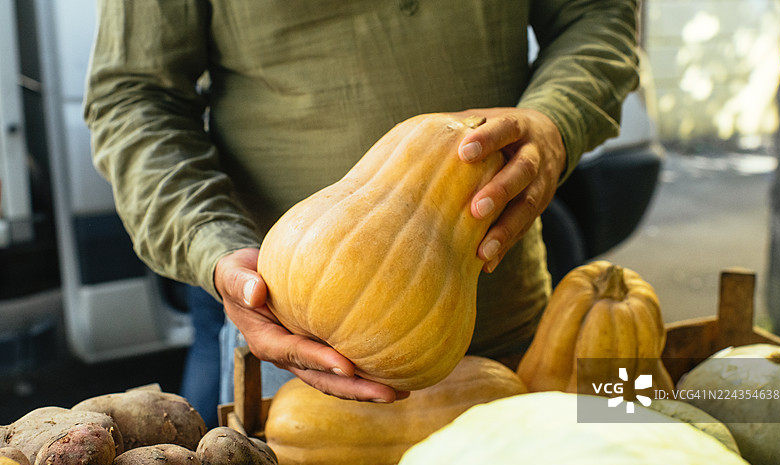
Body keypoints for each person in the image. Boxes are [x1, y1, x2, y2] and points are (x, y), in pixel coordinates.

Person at [84, 0, 640, 404]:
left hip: (508, 321)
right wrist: (212, 244)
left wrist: (556, 120)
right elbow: (134, 95)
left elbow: (596, 12)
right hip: (281, 325)